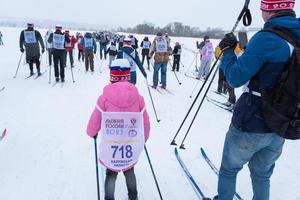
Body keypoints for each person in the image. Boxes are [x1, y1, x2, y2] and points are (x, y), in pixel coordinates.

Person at [213, 0, 299, 199]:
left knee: (229, 169)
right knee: (262, 175)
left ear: (268, 10)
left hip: (253, 120)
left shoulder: (266, 38)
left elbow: (235, 78)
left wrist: (227, 54)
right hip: (284, 122)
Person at [86, 58, 150, 200]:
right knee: (129, 170)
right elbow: (145, 121)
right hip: (130, 145)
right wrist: (143, 138)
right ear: (128, 76)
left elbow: (94, 121)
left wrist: (92, 132)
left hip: (111, 147)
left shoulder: (103, 99)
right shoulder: (139, 99)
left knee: (111, 173)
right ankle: (133, 196)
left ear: (112, 76)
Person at [215, 42, 243, 108]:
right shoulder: (233, 49)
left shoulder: (237, 49)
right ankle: (230, 100)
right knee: (228, 85)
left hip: (233, 69)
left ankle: (233, 102)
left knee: (230, 86)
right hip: (229, 68)